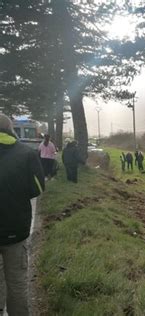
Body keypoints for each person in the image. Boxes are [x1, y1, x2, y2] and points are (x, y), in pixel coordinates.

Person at [0, 113, 45, 316]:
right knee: (16, 284)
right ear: (11, 130)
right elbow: (37, 188)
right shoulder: (27, 154)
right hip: (15, 231)